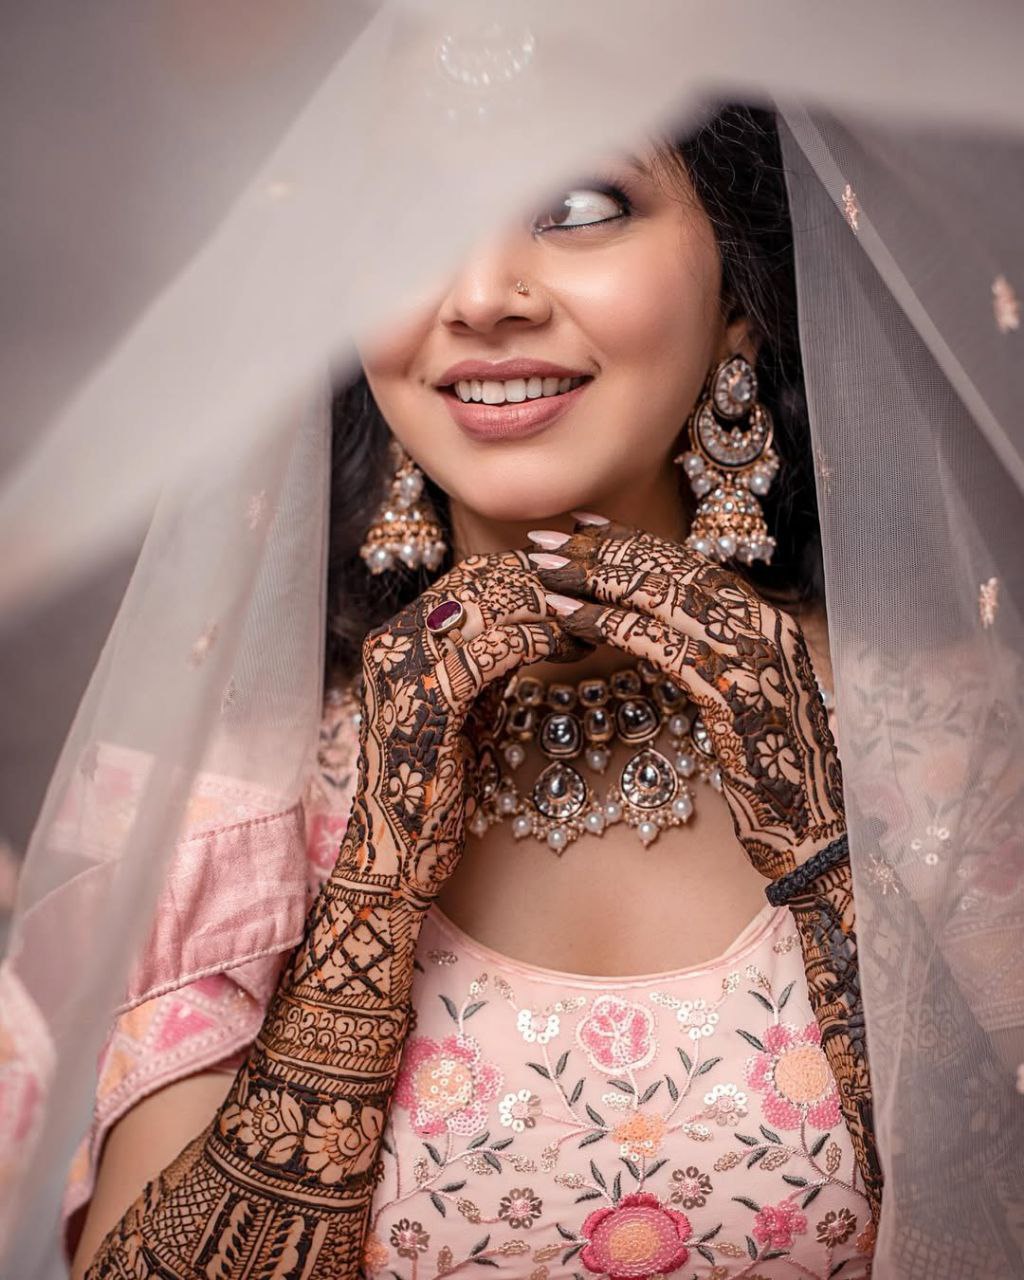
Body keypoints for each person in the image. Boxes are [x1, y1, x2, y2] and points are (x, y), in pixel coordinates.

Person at [66, 106, 882, 1278]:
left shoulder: (948, 739)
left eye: (582, 207)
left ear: (738, 290)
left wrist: (828, 849)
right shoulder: (235, 795)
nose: (483, 293)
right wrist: (376, 880)